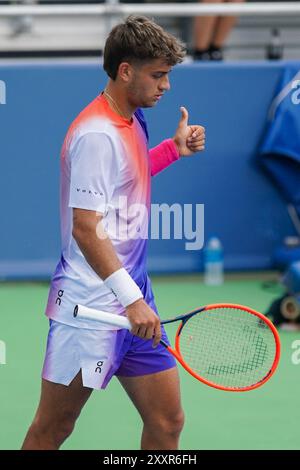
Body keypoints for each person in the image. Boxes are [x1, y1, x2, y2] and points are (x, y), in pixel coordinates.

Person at [21, 15, 205, 451]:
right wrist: (131, 300)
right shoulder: (97, 134)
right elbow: (87, 228)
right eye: (158, 75)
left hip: (133, 300)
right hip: (92, 310)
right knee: (53, 429)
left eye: (168, 75)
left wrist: (172, 150)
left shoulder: (130, 117)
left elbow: (127, 180)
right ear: (126, 71)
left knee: (167, 421)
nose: (166, 86)